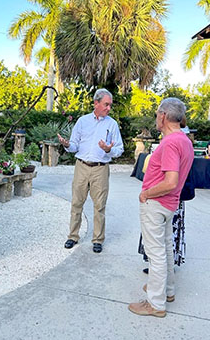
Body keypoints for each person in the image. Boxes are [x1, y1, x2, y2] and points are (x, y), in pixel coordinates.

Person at [128, 97, 194, 318]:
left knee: (155, 252)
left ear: (163, 116)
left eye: (157, 114)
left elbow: (170, 181)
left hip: (157, 204)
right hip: (169, 205)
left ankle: (155, 303)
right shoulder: (184, 140)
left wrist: (146, 193)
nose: (157, 118)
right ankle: (167, 291)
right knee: (165, 249)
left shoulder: (170, 142)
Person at [57, 88, 124, 253]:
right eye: (106, 104)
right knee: (76, 203)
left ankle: (98, 240)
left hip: (100, 169)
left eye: (110, 105)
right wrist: (66, 145)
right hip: (81, 166)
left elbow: (119, 149)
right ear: (96, 103)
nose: (108, 108)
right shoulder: (82, 121)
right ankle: (72, 236)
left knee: (99, 206)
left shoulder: (112, 124)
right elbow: (74, 146)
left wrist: (109, 150)